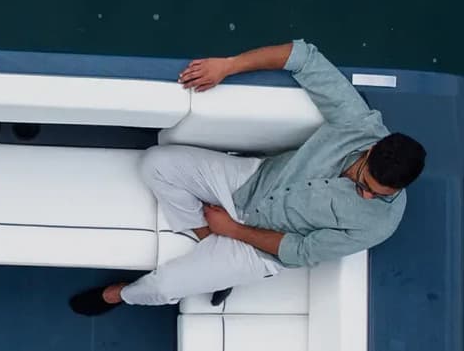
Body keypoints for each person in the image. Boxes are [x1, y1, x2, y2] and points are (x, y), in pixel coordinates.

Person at [68, 38, 426, 314]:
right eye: (365, 184)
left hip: (262, 251)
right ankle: (206, 240)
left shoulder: (378, 225)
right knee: (154, 163)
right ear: (369, 150)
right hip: (251, 180)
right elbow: (303, 56)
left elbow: (301, 251)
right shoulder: (358, 124)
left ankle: (117, 295)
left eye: (380, 194)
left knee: (163, 287)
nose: (367, 196)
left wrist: (233, 231)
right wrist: (227, 66)